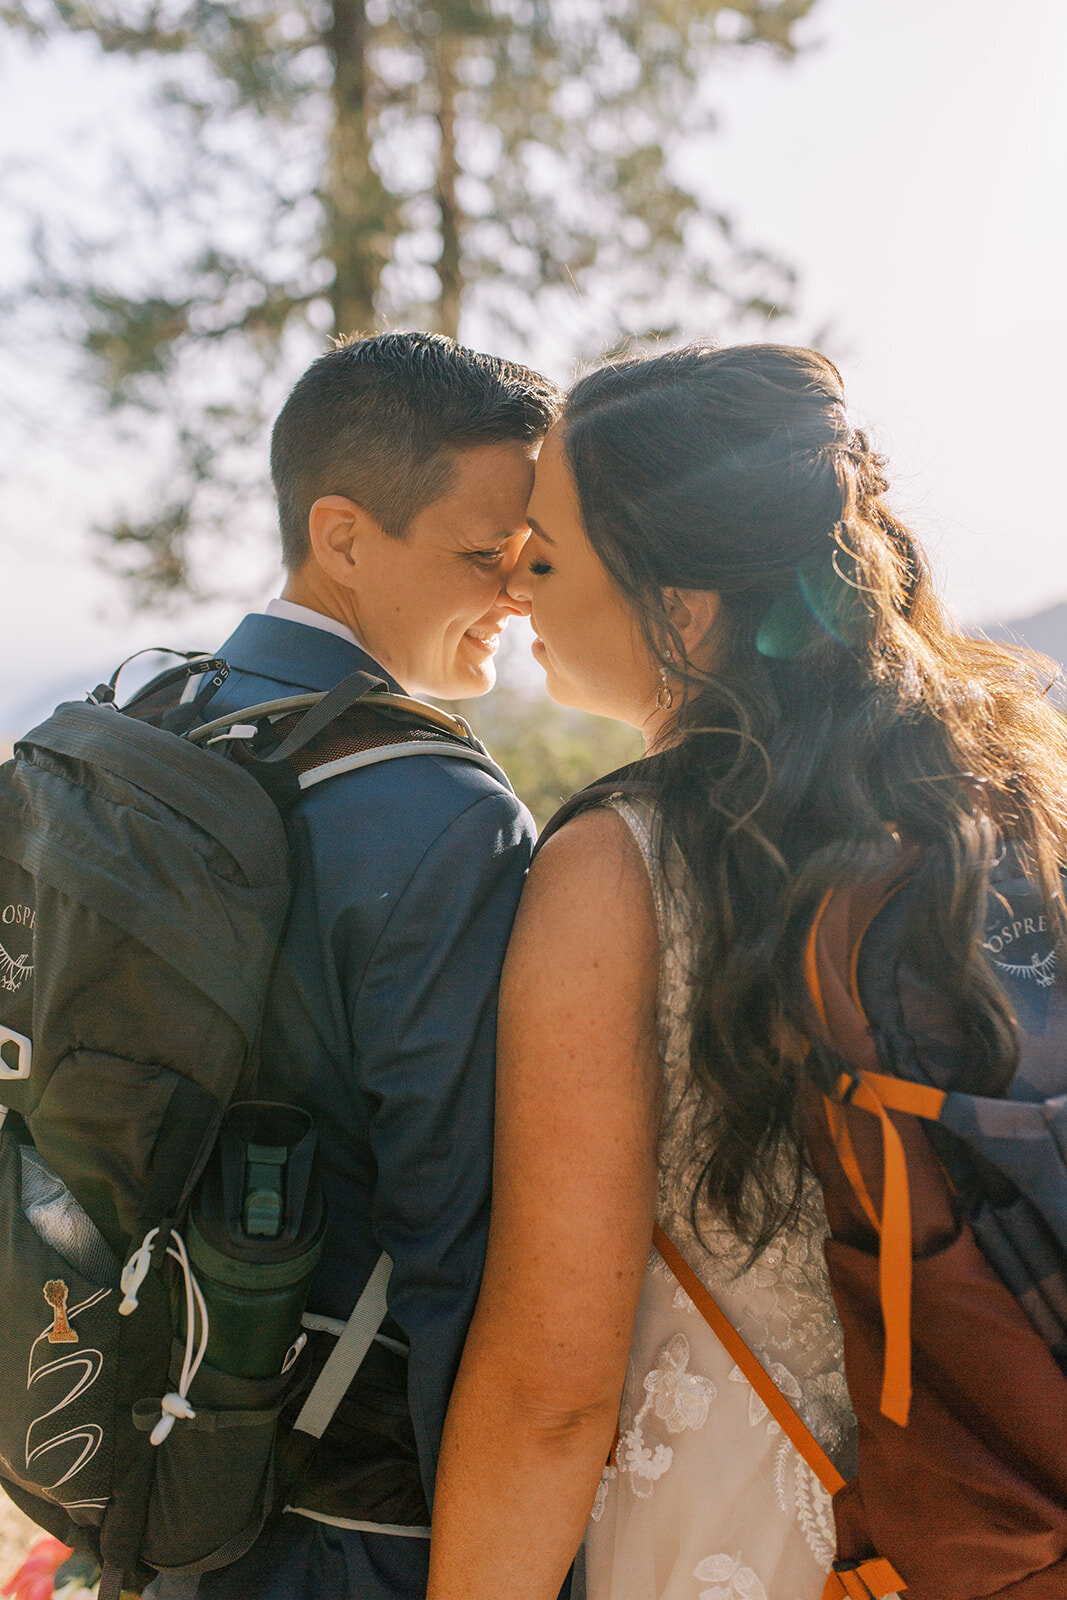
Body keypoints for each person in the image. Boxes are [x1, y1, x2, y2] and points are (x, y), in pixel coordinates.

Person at [425, 344, 1067, 1600]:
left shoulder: (621, 867)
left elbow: (551, 1392)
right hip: (992, 1512)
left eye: (544, 556)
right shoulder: (1009, 807)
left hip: (754, 1539)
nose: (513, 587)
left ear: (687, 604)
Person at [149, 330, 560, 1600]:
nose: (521, 593)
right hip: (353, 1517)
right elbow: (462, 1242)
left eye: (531, 554)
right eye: (484, 556)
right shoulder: (440, 810)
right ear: (341, 536)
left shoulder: (149, 724)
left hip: (149, 1442)